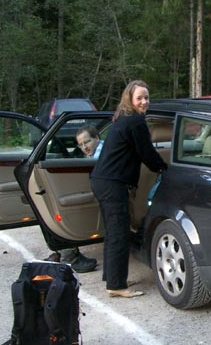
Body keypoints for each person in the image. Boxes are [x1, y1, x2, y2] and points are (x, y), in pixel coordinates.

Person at [90, 80, 167, 298]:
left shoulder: (125, 119)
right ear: (130, 100)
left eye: (146, 97)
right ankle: (116, 285)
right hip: (112, 184)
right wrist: (163, 168)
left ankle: (112, 279)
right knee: (118, 233)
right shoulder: (135, 121)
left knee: (112, 232)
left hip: (102, 181)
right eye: (139, 98)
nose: (144, 101)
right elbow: (147, 152)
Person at [44, 125, 103, 273]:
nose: (84, 147)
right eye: (81, 144)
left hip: (106, 194)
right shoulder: (95, 153)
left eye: (87, 142)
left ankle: (68, 255)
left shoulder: (101, 153)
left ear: (97, 138)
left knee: (61, 210)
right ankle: (65, 251)